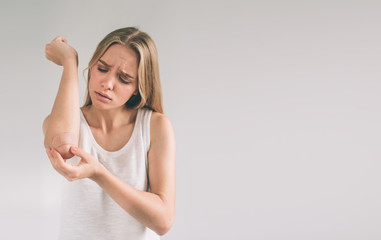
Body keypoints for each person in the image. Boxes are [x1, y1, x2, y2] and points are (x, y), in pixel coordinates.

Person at [42, 27, 176, 239]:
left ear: (138, 87)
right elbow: (63, 149)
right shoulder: (70, 122)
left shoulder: (154, 126)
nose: (107, 84)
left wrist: (99, 174)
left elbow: (163, 221)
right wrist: (69, 63)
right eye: (102, 68)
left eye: (124, 79)